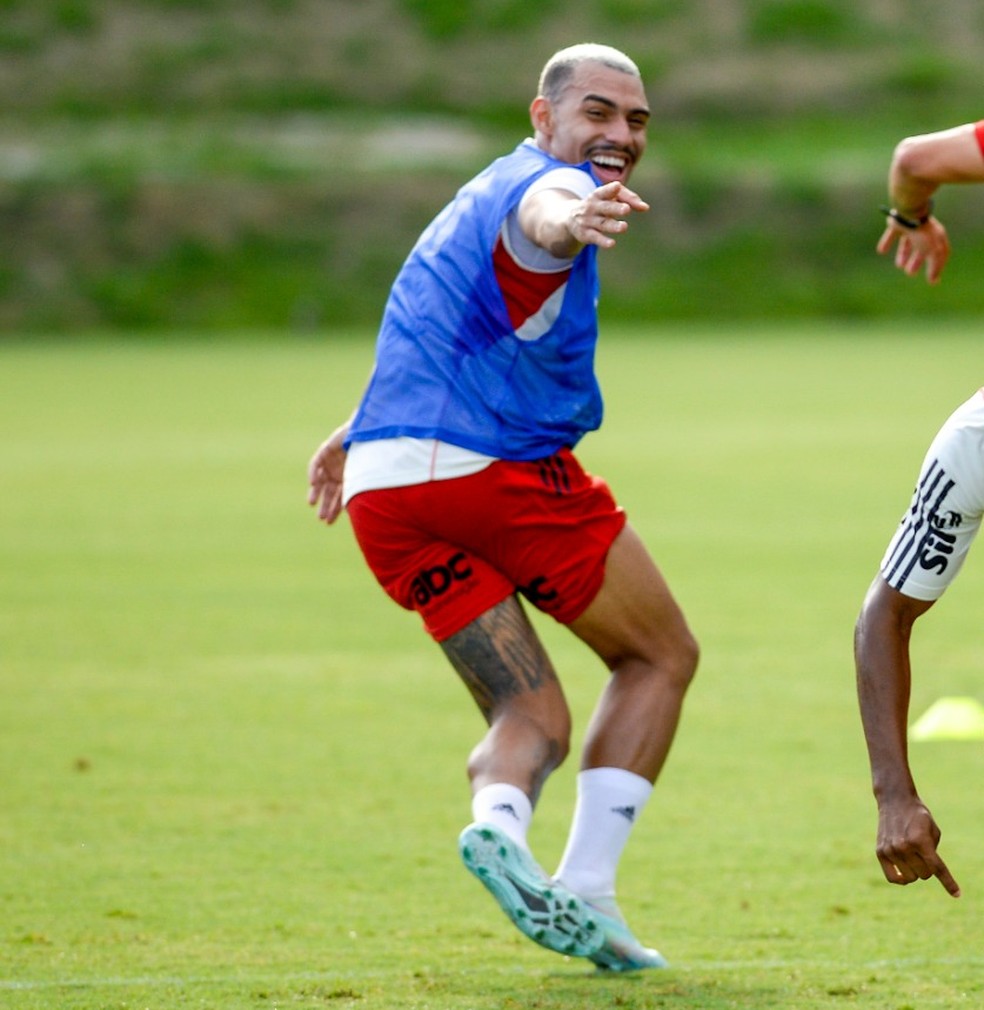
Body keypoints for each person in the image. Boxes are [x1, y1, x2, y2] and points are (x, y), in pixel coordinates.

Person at [307, 43, 698, 971]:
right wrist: (580, 210)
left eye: (636, 120)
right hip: (490, 474)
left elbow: (435, 314)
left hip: (388, 489)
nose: (620, 135)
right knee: (659, 654)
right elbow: (547, 219)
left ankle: (500, 829)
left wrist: (358, 427)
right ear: (543, 116)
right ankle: (590, 889)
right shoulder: (541, 191)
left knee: (531, 720)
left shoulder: (472, 195)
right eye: (598, 113)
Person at [856, 119, 984, 899]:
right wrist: (894, 796)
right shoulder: (974, 441)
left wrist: (909, 215)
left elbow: (911, 160)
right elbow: (886, 614)